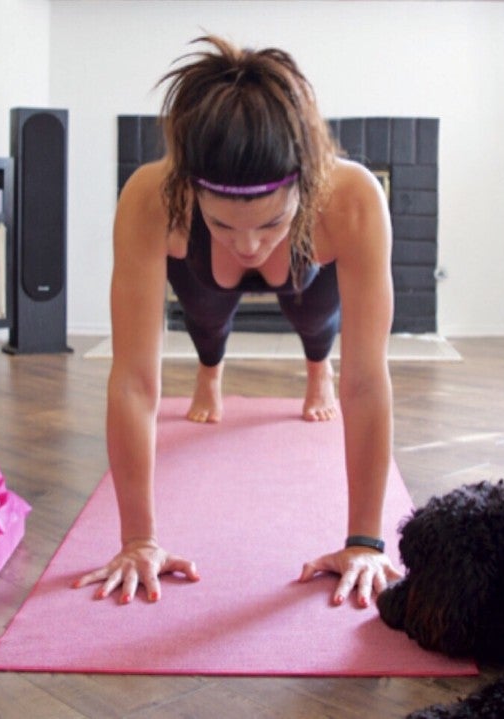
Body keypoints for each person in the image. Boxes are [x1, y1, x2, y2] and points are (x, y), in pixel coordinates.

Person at [73, 35, 401, 609]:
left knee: (314, 317)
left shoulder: (352, 198)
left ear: (306, 181)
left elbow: (369, 381)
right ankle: (210, 372)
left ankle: (313, 368)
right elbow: (132, 381)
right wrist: (137, 541)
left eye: (268, 223)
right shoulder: (151, 197)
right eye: (225, 225)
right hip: (204, 277)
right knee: (205, 315)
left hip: (307, 271)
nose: (249, 244)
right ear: (191, 188)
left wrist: (365, 543)